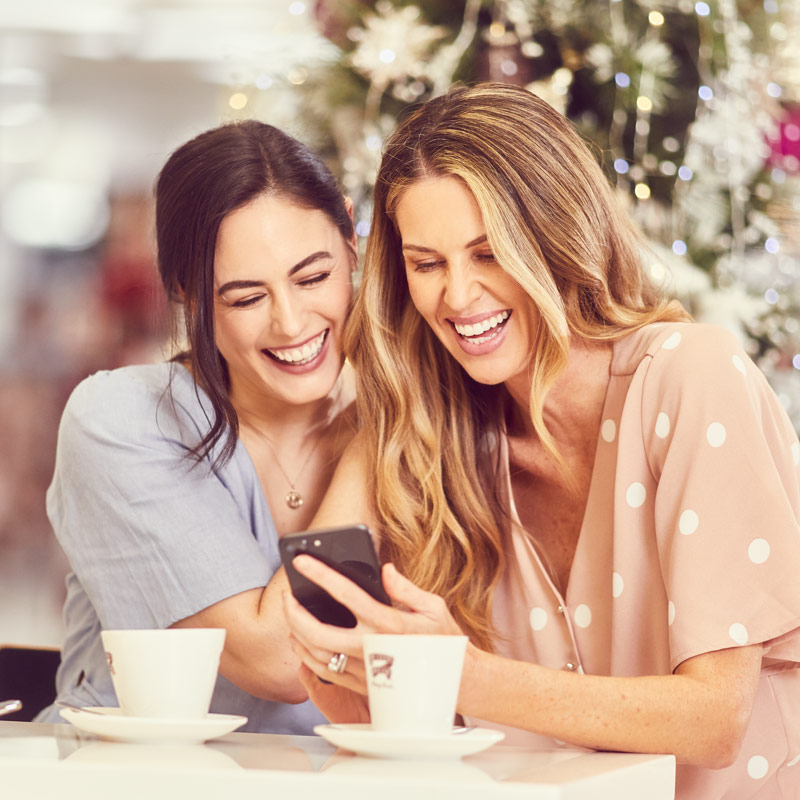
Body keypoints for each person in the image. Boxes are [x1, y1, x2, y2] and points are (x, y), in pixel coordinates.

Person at [283, 83, 800, 797]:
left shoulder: (687, 377)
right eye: (426, 263)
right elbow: (374, 698)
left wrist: (466, 674)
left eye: (489, 253)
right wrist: (346, 669)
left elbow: (715, 720)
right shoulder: (445, 438)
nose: (457, 297)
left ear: (555, 238)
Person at [36, 119, 359, 733]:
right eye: (245, 297)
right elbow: (283, 662)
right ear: (187, 291)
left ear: (350, 237)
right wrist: (379, 437)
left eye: (313, 277)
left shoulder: (434, 415)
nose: (291, 324)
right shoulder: (123, 421)